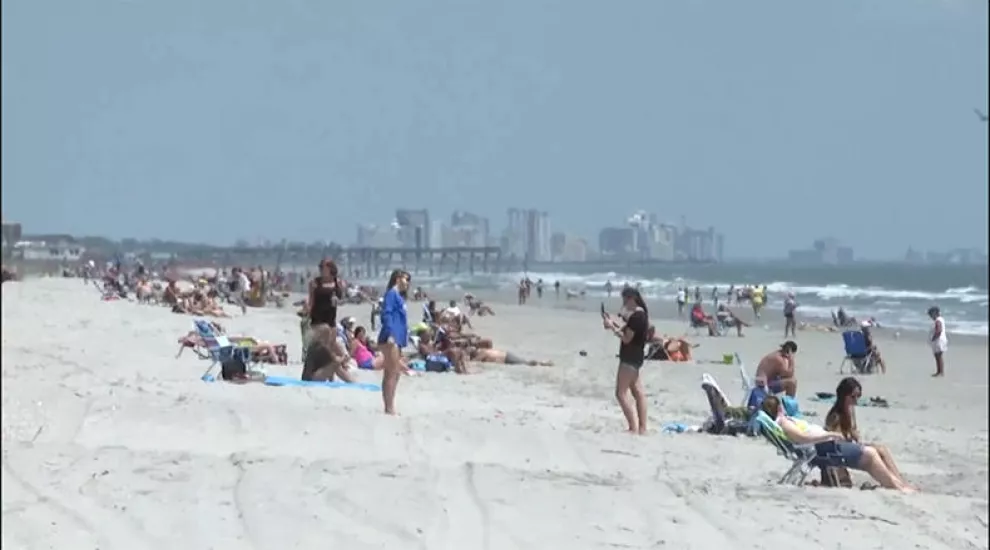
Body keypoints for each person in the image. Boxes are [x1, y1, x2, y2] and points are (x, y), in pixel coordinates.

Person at [761, 394, 914, 492]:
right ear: (779, 407)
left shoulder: (784, 421)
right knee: (870, 455)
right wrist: (830, 434)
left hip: (824, 445)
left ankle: (900, 485)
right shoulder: (785, 424)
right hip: (824, 448)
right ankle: (898, 488)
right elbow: (803, 439)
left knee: (874, 452)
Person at [823, 377, 909, 489]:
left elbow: (852, 432)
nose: (855, 400)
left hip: (849, 445)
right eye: (853, 397)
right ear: (844, 395)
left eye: (858, 396)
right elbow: (833, 438)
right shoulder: (835, 416)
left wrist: (854, 436)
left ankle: (899, 481)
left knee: (882, 449)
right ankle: (895, 483)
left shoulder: (849, 410)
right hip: (840, 450)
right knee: (876, 451)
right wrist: (851, 438)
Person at [603, 287, 650, 434]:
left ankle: (633, 427)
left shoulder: (637, 317)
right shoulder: (641, 315)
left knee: (621, 393)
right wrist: (613, 324)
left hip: (629, 357)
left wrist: (611, 328)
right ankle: (642, 428)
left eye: (625, 299)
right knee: (638, 392)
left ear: (632, 299)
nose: (623, 303)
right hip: (636, 356)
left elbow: (626, 338)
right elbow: (626, 331)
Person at [378, 270, 411, 415]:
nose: (408, 283)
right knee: (391, 372)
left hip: (398, 338)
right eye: (406, 279)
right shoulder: (391, 294)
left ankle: (390, 405)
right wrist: (390, 333)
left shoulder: (399, 297)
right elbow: (386, 313)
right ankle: (389, 407)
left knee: (395, 372)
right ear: (398, 279)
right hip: (390, 337)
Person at [928, 306, 947, 377]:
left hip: (939, 340)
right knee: (937, 356)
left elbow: (939, 330)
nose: (931, 317)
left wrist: (934, 338)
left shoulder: (938, 320)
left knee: (938, 356)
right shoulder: (940, 319)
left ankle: (940, 372)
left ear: (935, 313)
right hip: (940, 340)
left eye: (931, 315)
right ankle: (939, 371)